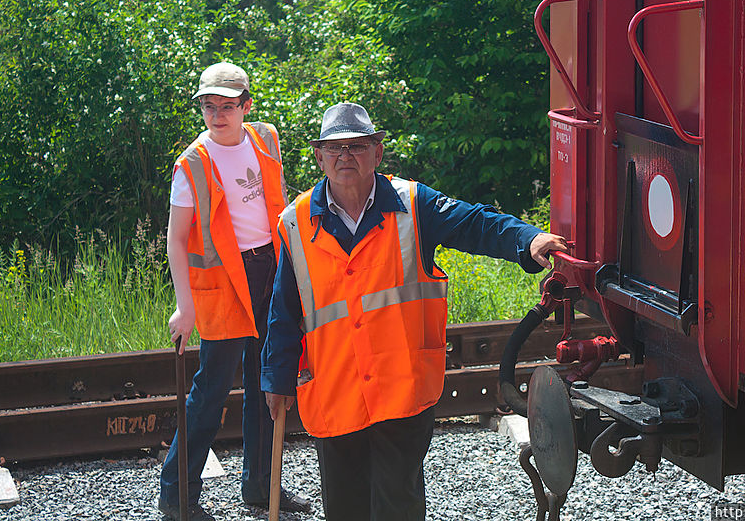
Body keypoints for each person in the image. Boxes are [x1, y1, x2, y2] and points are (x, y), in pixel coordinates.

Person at [260, 102, 568, 521]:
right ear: (319, 156)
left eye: (357, 146)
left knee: (398, 506)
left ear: (377, 152)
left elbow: (474, 223)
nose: (345, 156)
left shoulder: (413, 204)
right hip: (336, 392)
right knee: (345, 508)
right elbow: (283, 311)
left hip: (400, 391)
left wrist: (526, 240)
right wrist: (277, 379)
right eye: (334, 148)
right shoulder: (295, 223)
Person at [158, 62, 310, 521]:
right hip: (224, 283)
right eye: (209, 106)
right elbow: (175, 240)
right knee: (211, 390)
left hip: (271, 268)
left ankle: (261, 486)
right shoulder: (192, 164)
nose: (217, 115)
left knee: (269, 380)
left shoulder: (266, 138)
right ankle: (177, 498)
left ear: (246, 105)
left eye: (227, 106)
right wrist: (184, 307)